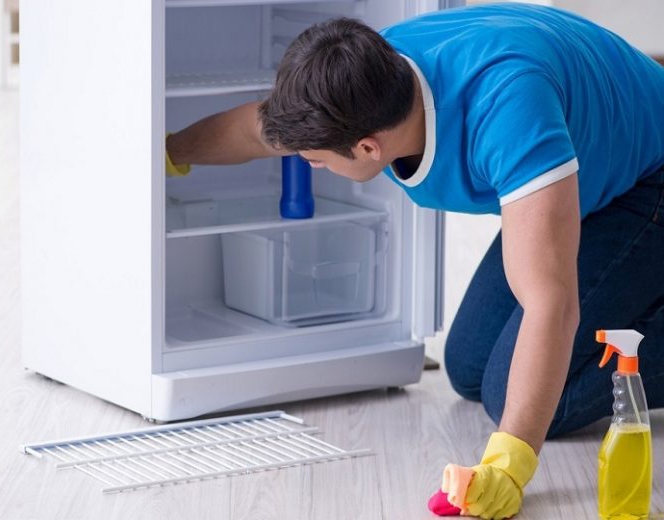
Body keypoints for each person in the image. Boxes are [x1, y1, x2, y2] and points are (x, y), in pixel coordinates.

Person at [166, 3, 664, 518]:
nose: (305, 163)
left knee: (539, 402)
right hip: (595, 166)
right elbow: (258, 131)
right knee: (470, 370)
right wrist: (167, 152)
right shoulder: (362, 78)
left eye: (314, 159)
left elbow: (551, 304)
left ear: (367, 148)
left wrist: (510, 467)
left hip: (651, 176)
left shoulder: (508, 109)